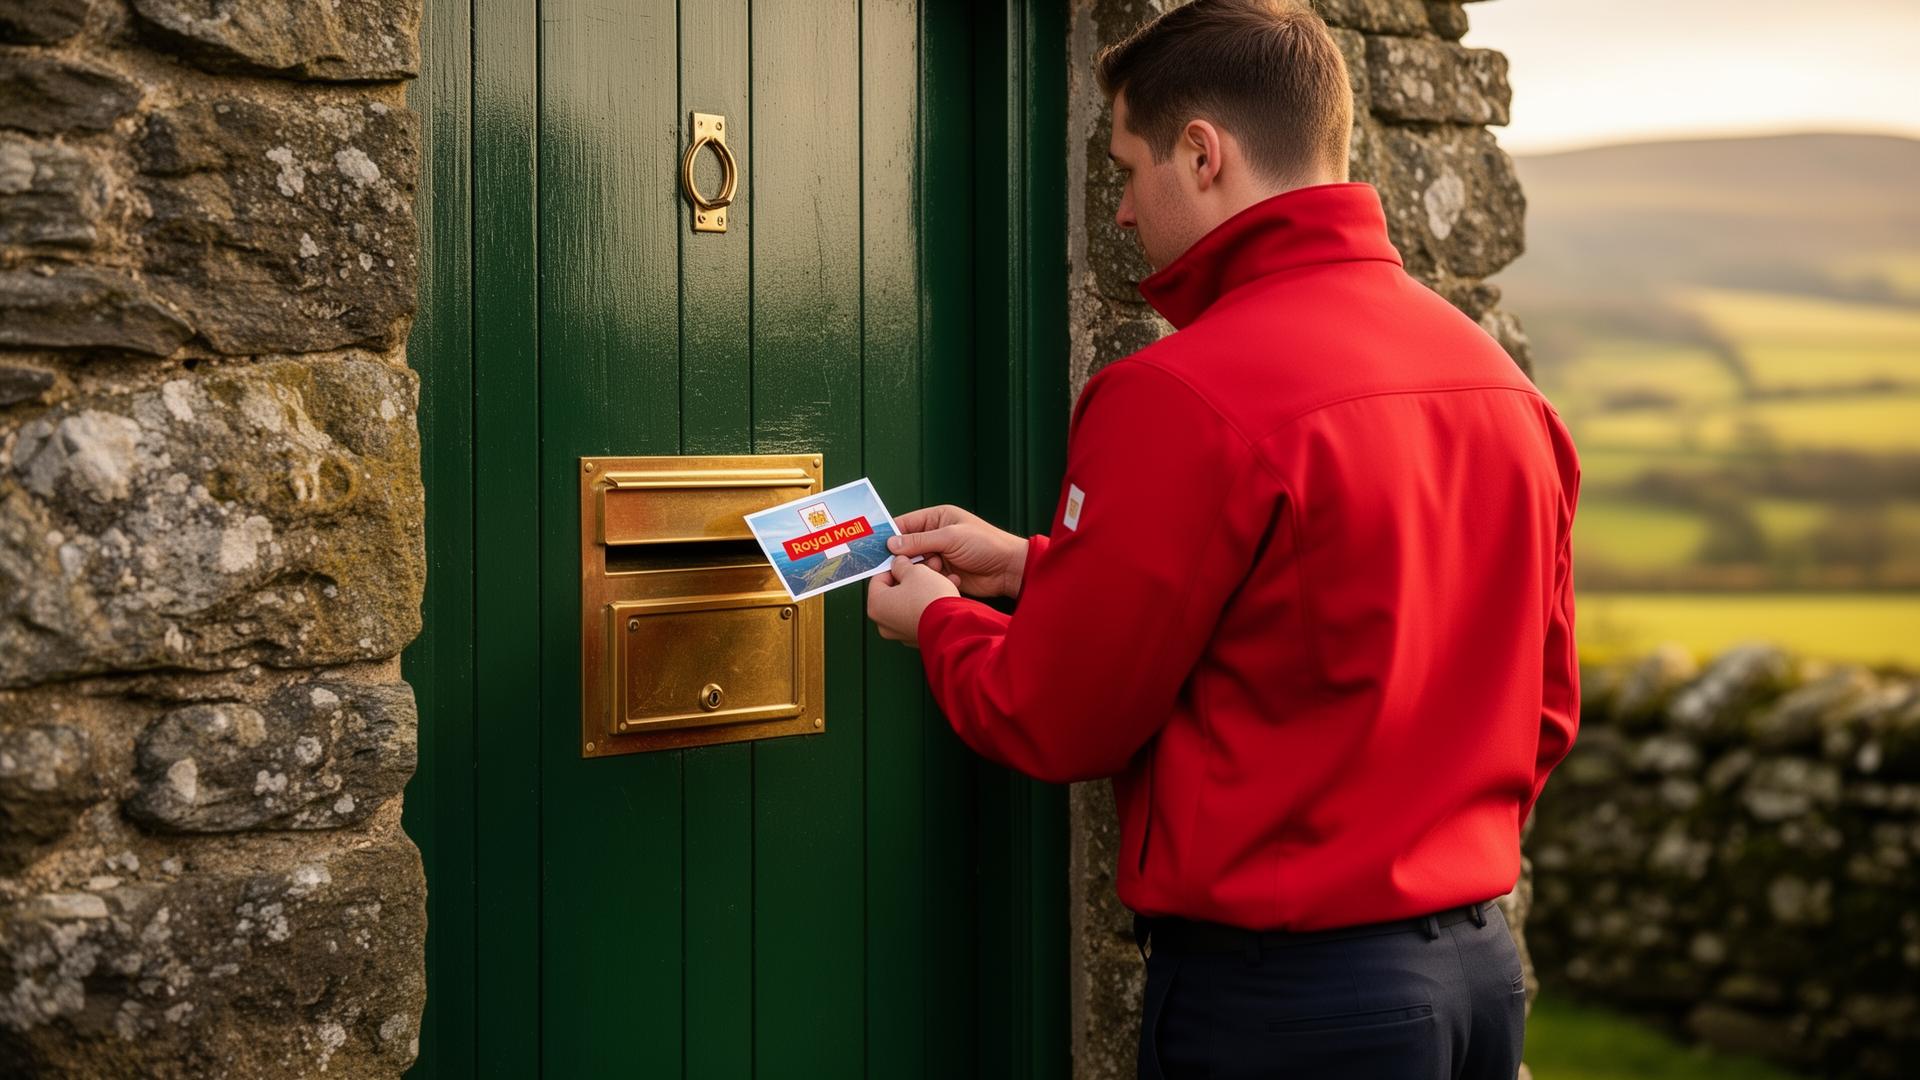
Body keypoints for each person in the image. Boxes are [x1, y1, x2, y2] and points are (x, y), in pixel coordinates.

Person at [865, 0, 1579, 1076]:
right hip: (1478, 982)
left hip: (1288, 1008)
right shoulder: (1505, 391)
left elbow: (1057, 715)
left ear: (1203, 154)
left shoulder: (1178, 395)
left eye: (1124, 166)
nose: (1116, 210)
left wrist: (942, 624)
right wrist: (1037, 567)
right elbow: (1543, 710)